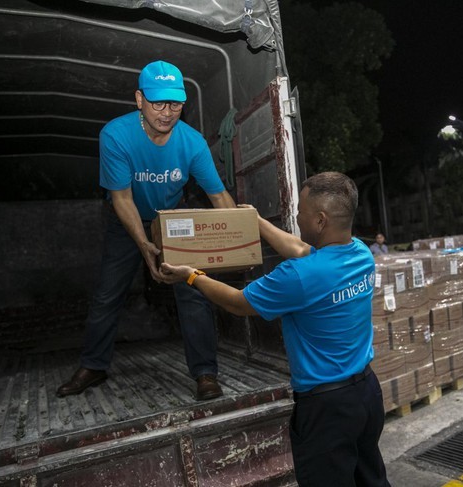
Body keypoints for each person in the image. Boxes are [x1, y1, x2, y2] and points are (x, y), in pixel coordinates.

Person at [159, 172, 390, 487]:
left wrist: (192, 276)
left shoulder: (298, 277)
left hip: (327, 409)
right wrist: (255, 220)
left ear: (320, 220)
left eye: (301, 211)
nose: (295, 215)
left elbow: (238, 303)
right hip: (365, 393)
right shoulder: (361, 254)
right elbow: (298, 247)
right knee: (371, 479)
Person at [57, 60, 236, 401]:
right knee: (108, 293)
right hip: (126, 220)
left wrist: (236, 238)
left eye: (175, 104)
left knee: (193, 289)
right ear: (139, 99)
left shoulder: (193, 143)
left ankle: (205, 373)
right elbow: (121, 198)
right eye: (158, 103)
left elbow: (219, 196)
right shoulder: (115, 135)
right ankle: (94, 365)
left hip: (172, 220)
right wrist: (143, 244)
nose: (167, 113)